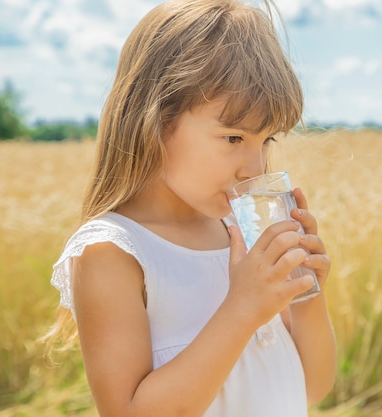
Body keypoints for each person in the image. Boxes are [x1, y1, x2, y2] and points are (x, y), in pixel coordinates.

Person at [44, 0, 337, 416]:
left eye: (267, 140)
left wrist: (307, 294)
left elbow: (313, 387)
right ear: (155, 119)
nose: (254, 168)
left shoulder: (241, 232)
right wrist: (244, 307)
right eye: (234, 138)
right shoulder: (113, 252)